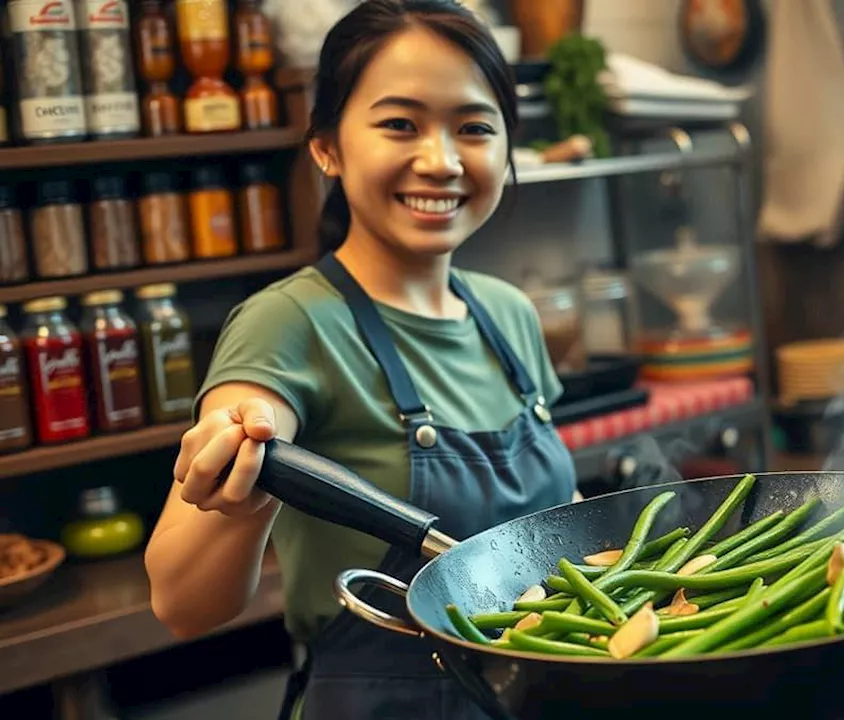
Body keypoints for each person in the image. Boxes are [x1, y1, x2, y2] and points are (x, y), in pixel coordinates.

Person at [143, 2, 578, 718]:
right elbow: (182, 605)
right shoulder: (288, 321)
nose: (439, 160)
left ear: (506, 150)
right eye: (400, 124)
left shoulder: (508, 312)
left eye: (473, 127)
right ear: (327, 148)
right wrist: (242, 485)